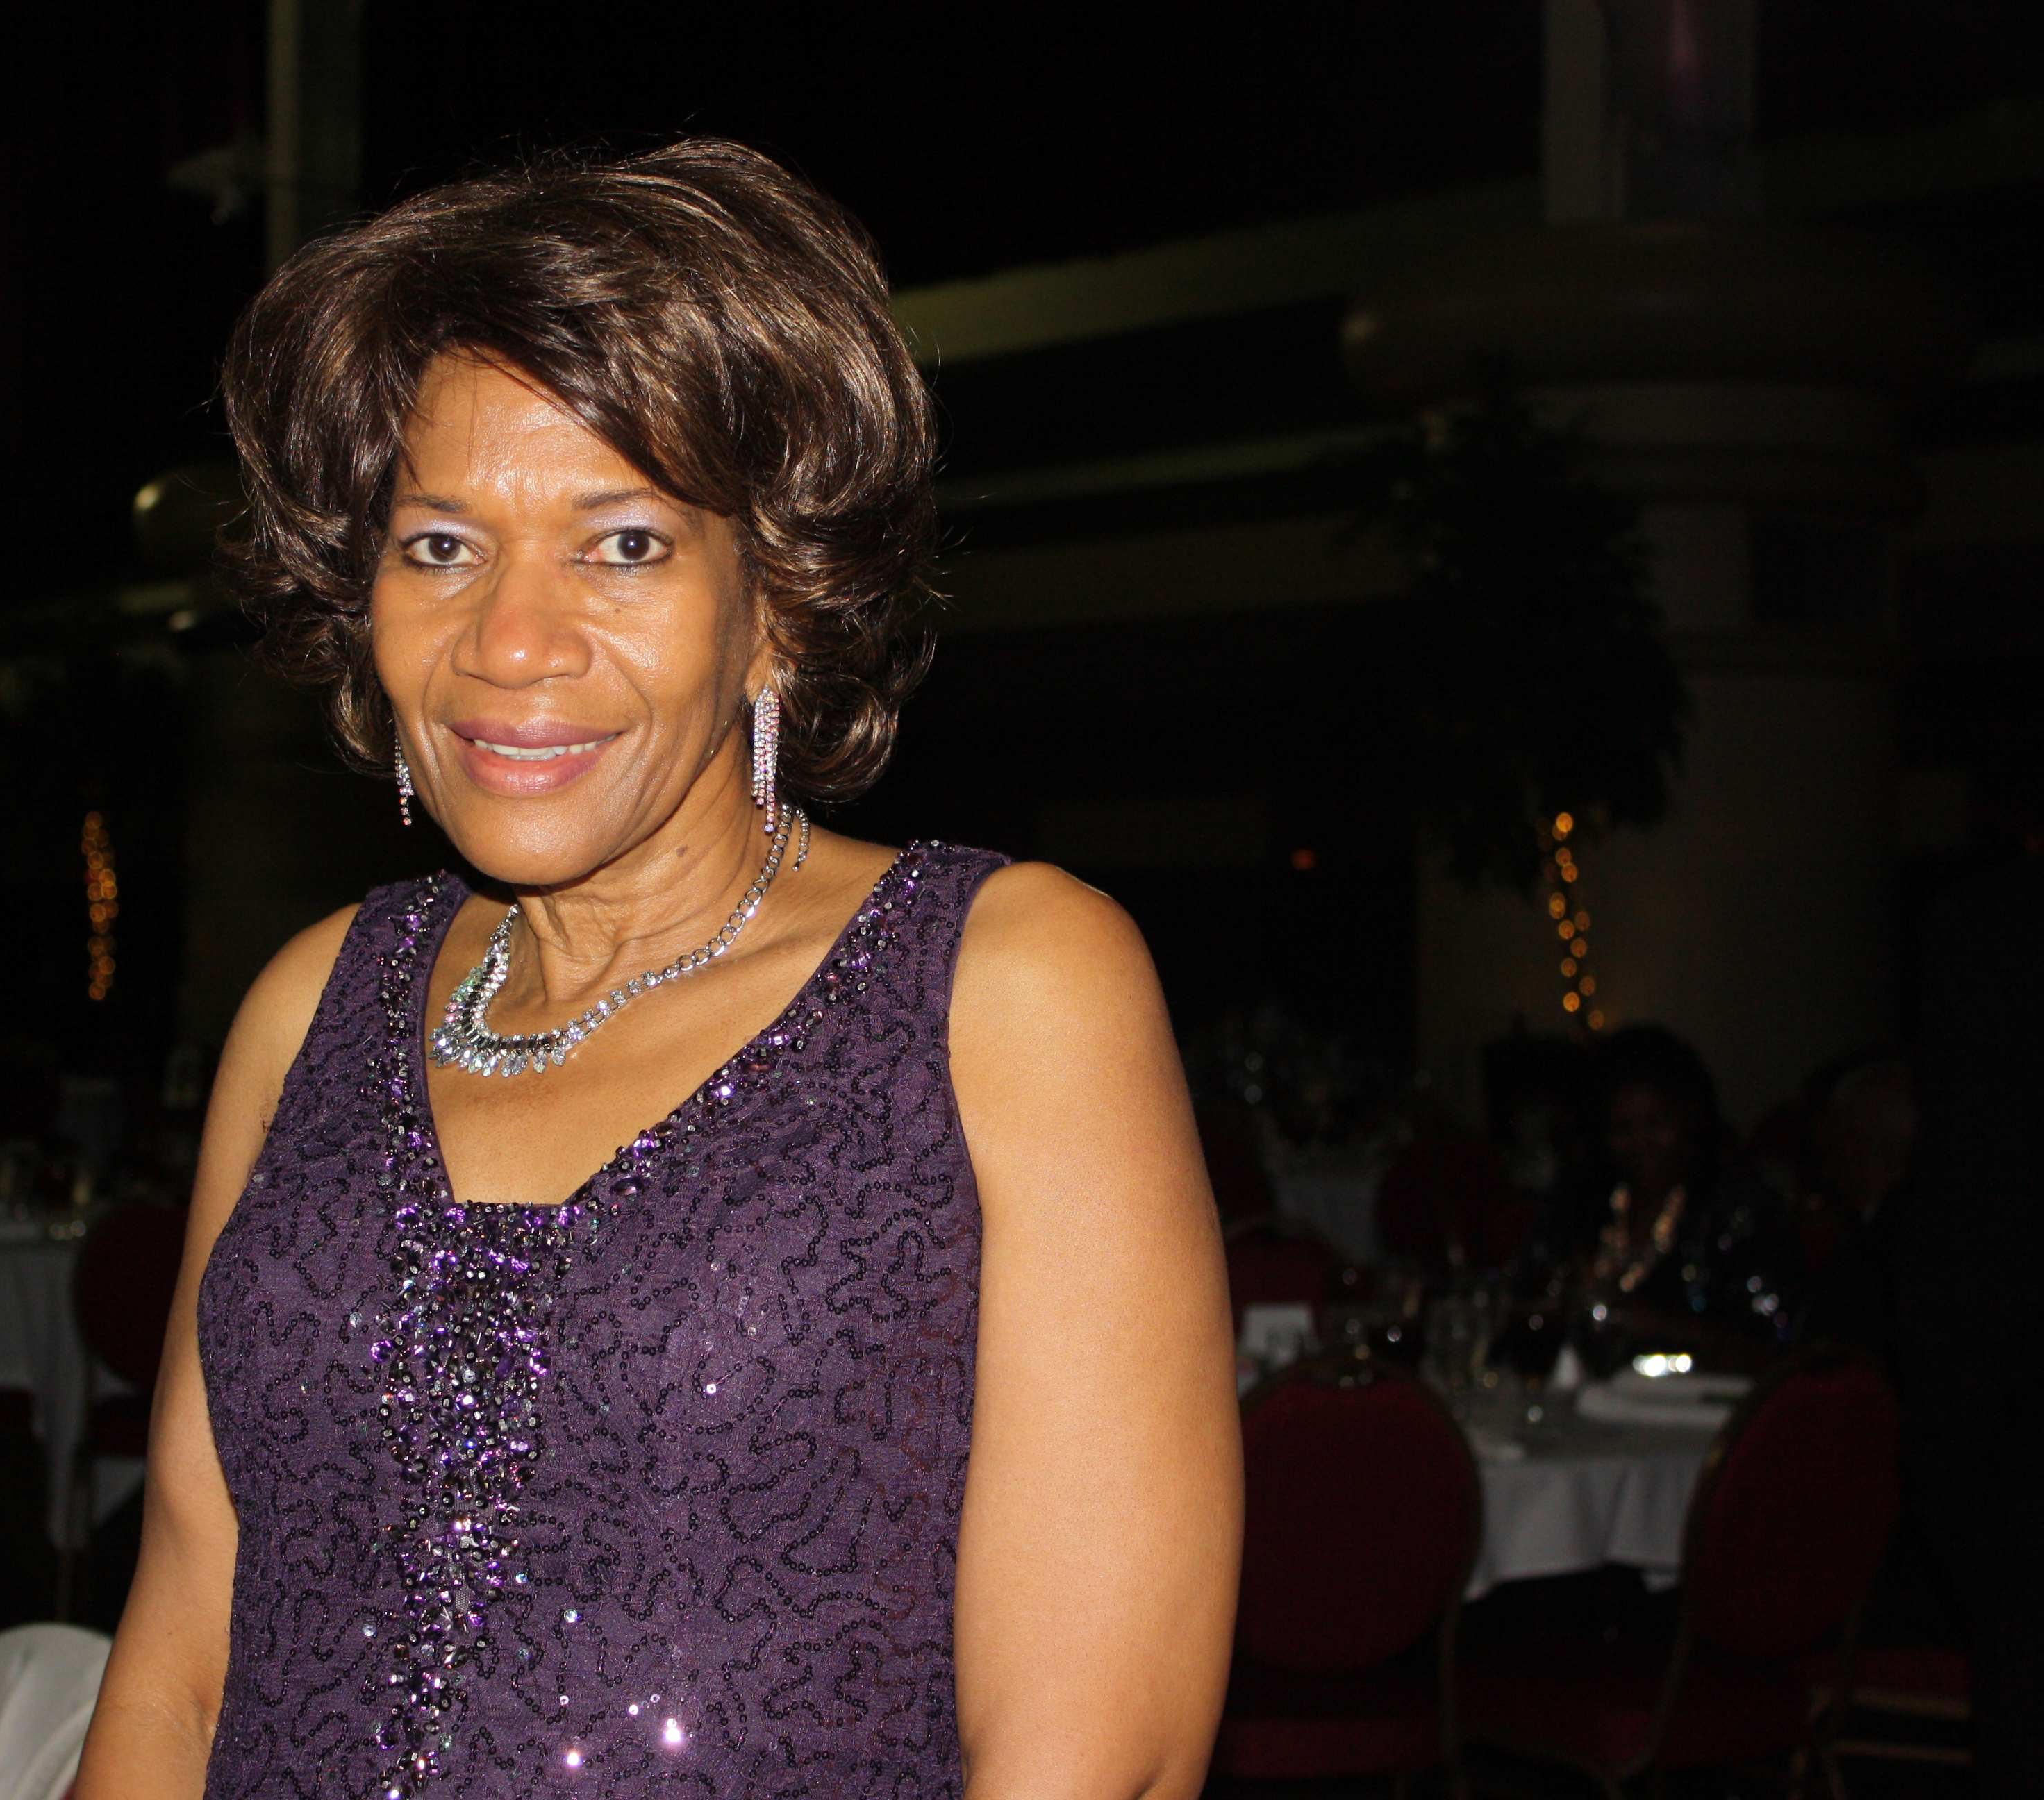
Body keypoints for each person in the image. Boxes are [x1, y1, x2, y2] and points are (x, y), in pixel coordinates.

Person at [78, 142, 1240, 1800]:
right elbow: (178, 1667)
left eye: (621, 544)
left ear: (778, 604)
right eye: (438, 546)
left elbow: (1096, 1752)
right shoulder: (307, 1006)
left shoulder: (1002, 986)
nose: (509, 640)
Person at [1538, 1024, 1802, 1349]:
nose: (1640, 1144)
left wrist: (1643, 1322)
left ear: (1691, 1116)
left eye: (1656, 1124)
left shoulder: (1737, 1212)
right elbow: (1527, 1300)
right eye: (1622, 1128)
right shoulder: (1581, 1202)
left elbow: (1772, 1346)